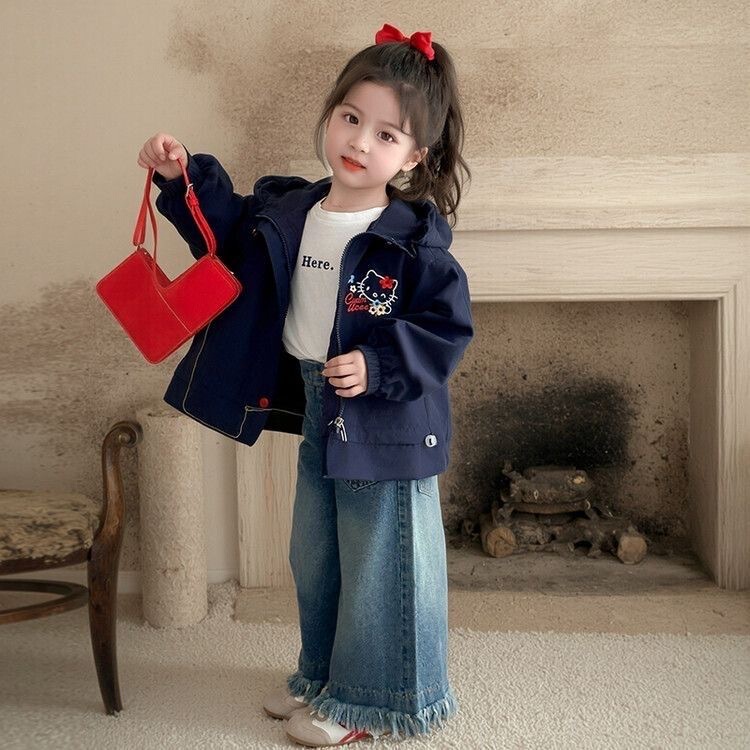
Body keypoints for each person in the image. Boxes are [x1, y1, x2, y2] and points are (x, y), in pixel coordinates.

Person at [139, 22, 474, 747]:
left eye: (386, 135)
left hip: (385, 420)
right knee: (317, 553)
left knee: (381, 559)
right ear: (330, 114)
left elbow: (446, 329)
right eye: (350, 117)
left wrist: (379, 365)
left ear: (414, 155)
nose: (360, 142)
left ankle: (372, 702)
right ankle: (324, 675)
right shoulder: (290, 209)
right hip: (319, 402)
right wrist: (181, 177)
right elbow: (223, 232)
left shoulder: (412, 241)